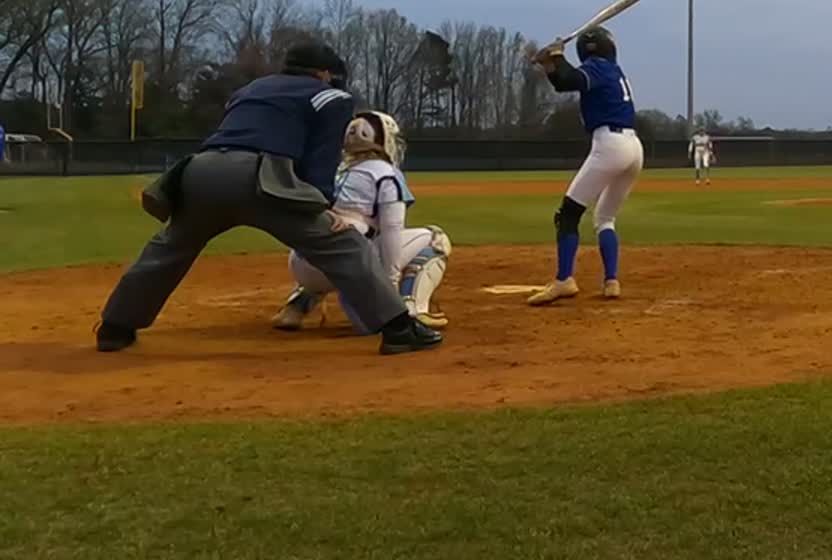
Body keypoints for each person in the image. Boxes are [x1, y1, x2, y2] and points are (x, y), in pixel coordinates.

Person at [95, 45, 442, 355]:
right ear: (323, 74)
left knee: (167, 250)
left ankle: (115, 327)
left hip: (199, 171)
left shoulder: (250, 89)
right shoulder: (331, 97)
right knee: (343, 245)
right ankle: (398, 328)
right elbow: (319, 159)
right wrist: (323, 205)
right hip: (259, 176)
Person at [270, 110, 451, 333]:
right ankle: (413, 309)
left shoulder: (332, 171)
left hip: (301, 264)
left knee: (328, 239)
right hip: (346, 263)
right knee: (435, 238)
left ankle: (296, 307)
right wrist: (389, 285)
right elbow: (392, 230)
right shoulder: (386, 173)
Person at [526, 26, 643, 305]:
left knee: (567, 215)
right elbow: (563, 81)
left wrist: (557, 57)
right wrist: (549, 63)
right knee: (605, 218)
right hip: (634, 148)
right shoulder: (613, 70)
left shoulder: (598, 68)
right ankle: (611, 281)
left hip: (609, 145)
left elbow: (568, 79)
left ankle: (564, 279)